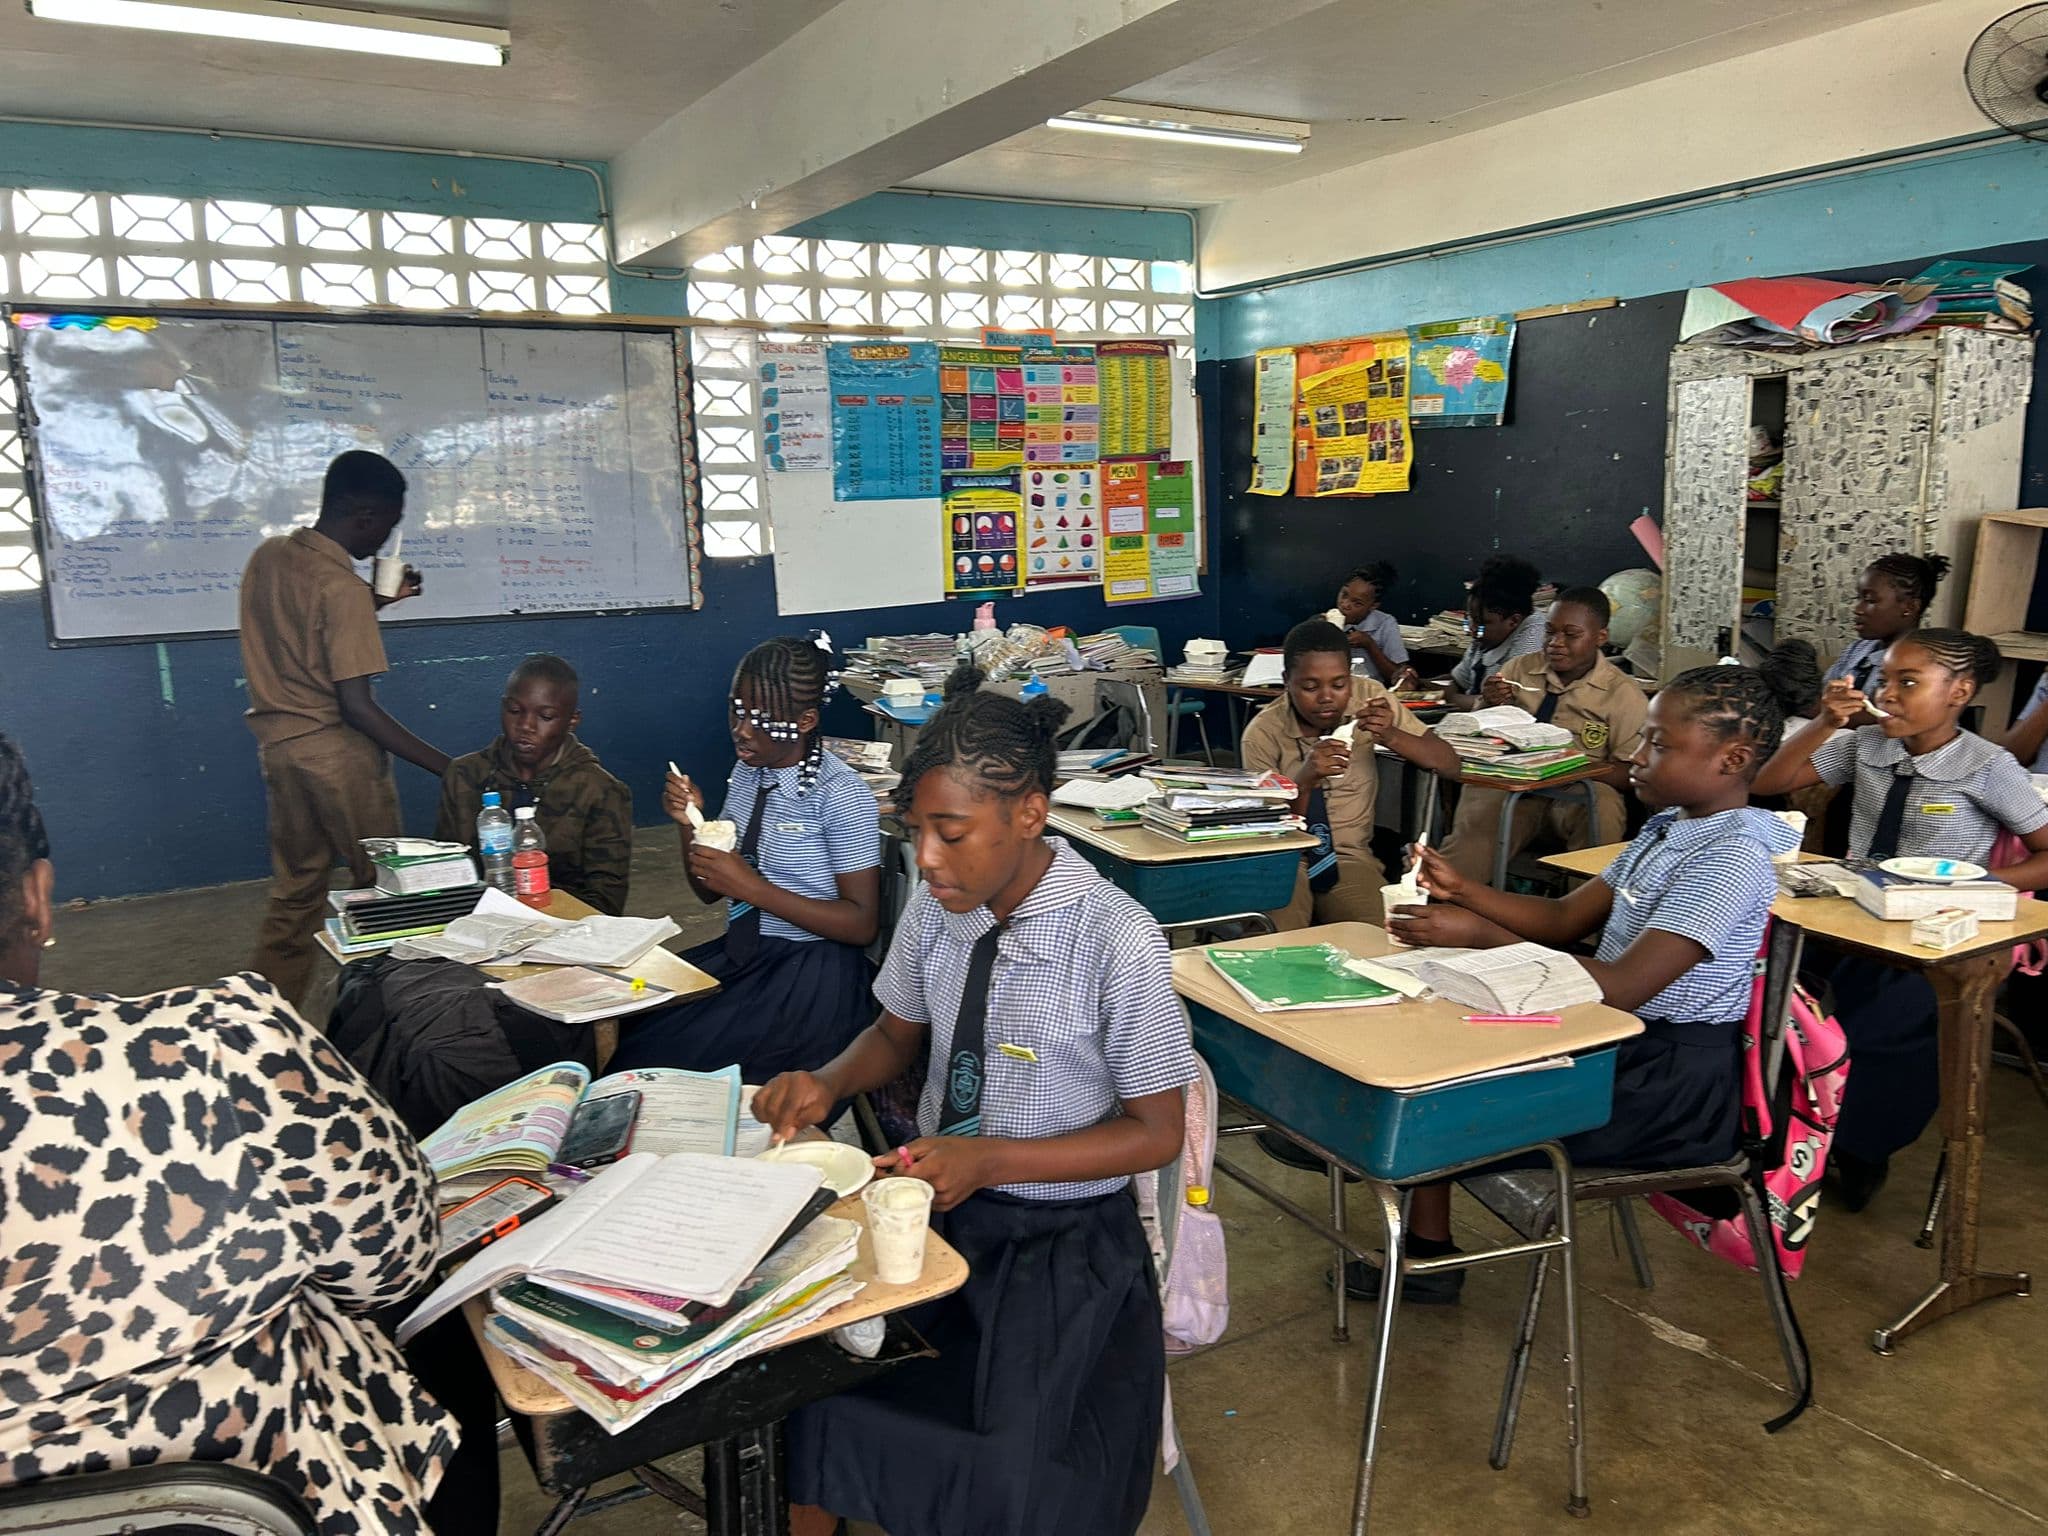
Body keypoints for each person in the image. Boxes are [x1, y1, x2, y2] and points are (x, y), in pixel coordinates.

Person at [754, 668, 1196, 1536]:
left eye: (950, 833)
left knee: (1013, 1473)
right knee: (802, 1400)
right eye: (915, 831)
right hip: (939, 1220)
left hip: (1061, 1249)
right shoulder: (940, 908)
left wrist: (991, 1158)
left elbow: (1157, 1132)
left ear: (1029, 812)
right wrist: (828, 1082)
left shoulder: (1117, 940)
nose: (925, 858)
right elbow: (895, 1035)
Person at [0, 731, 477, 1534]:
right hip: (277, 1489)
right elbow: (393, 1266)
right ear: (38, 896)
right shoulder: (213, 1049)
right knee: (438, 1338)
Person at [1366, 667, 1802, 1302]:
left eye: (1660, 744)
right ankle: (1426, 1245)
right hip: (1616, 1042)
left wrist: (1483, 936)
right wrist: (1464, 890)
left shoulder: (1731, 860)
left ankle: (1423, 1255)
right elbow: (1566, 918)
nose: (1637, 757)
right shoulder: (1667, 830)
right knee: (1434, 1054)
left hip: (1666, 1082)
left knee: (1434, 1104)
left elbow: (1624, 987)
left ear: (1731, 759)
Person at [1754, 628, 2048, 1208]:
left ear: (1959, 691)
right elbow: (1769, 781)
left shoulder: (1989, 766)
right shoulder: (1866, 746)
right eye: (1882, 680)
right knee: (1776, 996)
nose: (1886, 694)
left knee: (1883, 1025)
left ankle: (1862, 1148)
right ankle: (1784, 1129)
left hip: (1929, 937)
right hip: (1851, 919)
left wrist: (1977, 883)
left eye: (1908, 683)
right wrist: (1824, 722)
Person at [608, 635, 880, 1080]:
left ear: (806, 720)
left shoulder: (840, 795)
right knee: (629, 1022)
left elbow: (861, 923)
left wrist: (752, 888)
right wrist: (688, 822)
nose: (742, 730)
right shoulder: (748, 773)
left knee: (661, 1061)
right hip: (747, 955)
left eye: (760, 719)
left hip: (811, 974)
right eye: (737, 711)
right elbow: (708, 893)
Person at [239, 449, 449, 1003]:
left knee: (296, 893)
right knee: (384, 894)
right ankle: (386, 1014)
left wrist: (373, 603)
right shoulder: (342, 588)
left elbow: (305, 640)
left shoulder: (270, 557)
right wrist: (450, 767)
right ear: (364, 515)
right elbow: (356, 706)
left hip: (282, 753)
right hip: (338, 762)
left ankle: (265, 1018)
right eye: (386, 526)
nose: (384, 542)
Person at [1243, 619, 1459, 931]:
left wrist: (1392, 735)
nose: (1326, 697)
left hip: (1349, 857)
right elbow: (1264, 832)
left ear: (1351, 679)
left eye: (1339, 684)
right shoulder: (1262, 734)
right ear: (1286, 681)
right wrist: (1304, 781)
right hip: (1282, 859)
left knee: (1382, 935)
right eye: (1310, 686)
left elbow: (1449, 763)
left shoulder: (1370, 700)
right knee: (1279, 934)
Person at [1437, 586, 1649, 886]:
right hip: (1515, 788)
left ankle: (1583, 919)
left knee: (1603, 804)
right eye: (1550, 632)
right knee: (1482, 799)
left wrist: (1569, 766)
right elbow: (1483, 733)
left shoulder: (1623, 694)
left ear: (1600, 638)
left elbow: (1633, 772)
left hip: (1576, 793)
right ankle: (1448, 896)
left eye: (1571, 634)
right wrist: (1488, 702)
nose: (1555, 643)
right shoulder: (1520, 669)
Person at [436, 653, 633, 914]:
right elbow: (445, 874)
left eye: (546, 716)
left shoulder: (600, 791)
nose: (525, 726)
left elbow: (606, 904)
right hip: (475, 923)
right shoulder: (465, 775)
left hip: (564, 930)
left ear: (572, 721)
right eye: (515, 711)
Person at [1824, 553, 1951, 696]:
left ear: (1908, 607)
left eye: (1870, 600)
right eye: (1859, 598)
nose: (1858, 609)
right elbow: (1824, 694)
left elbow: (1881, 712)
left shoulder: (1922, 664)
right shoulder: (1857, 650)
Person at [1441, 554, 1545, 709]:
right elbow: (1457, 680)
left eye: (1482, 623)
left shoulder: (1534, 636)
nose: (1473, 629)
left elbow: (1502, 703)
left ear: (1514, 621)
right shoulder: (1483, 636)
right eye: (1470, 619)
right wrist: (1418, 682)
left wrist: (1450, 698)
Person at [1328, 561, 1414, 686]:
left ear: (1373, 606)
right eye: (1344, 594)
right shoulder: (1326, 619)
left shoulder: (1385, 624)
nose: (1345, 604)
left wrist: (1369, 645)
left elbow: (1399, 677)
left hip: (1372, 690)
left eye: (1357, 603)